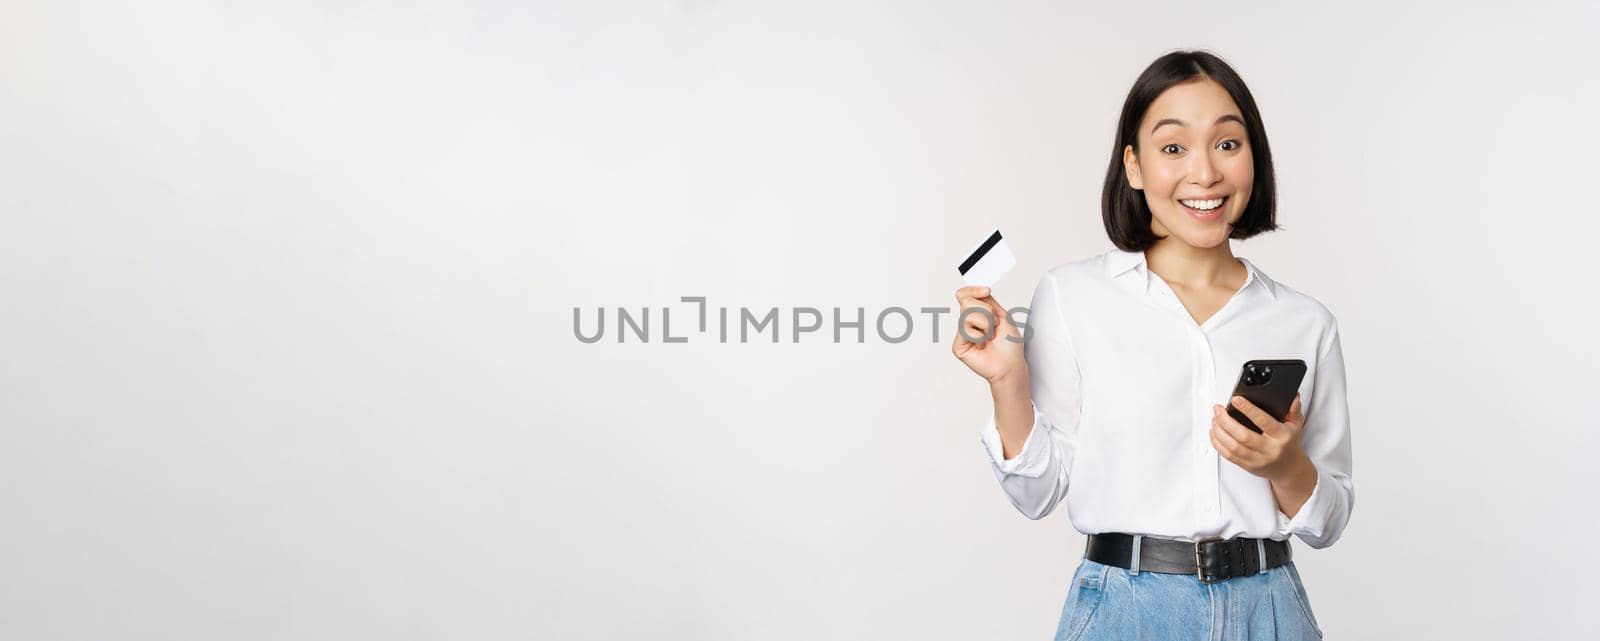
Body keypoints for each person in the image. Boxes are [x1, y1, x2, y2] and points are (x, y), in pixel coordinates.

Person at [951, 50, 1353, 641]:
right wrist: (1007, 382)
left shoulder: (1304, 321)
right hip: (1126, 610)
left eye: (1227, 143)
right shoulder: (1073, 295)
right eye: (1173, 148)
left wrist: (1284, 464)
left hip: (1270, 609)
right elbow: (1037, 494)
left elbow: (1330, 520)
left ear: (1254, 160)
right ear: (1134, 167)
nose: (1205, 173)